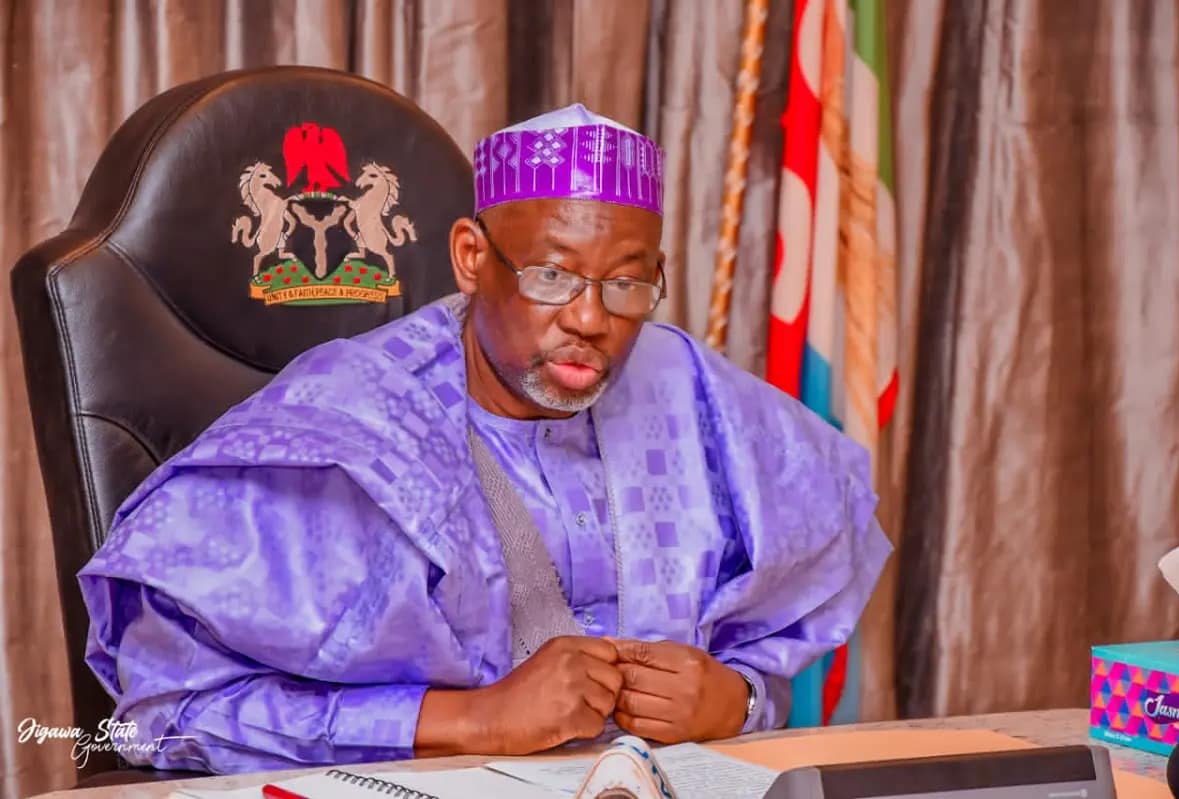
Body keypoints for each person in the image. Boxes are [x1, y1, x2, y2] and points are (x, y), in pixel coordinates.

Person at [79, 104, 891, 775]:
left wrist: (737, 700)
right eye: (551, 276)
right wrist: (470, 719)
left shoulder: (692, 393)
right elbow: (164, 713)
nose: (590, 318)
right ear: (472, 257)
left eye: (626, 282)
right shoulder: (346, 425)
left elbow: (772, 638)